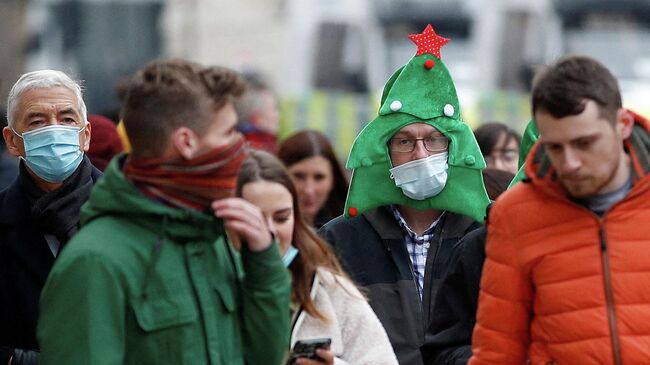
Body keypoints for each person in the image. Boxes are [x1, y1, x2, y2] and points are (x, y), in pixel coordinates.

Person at [37, 59, 291, 365]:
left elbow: (262, 358)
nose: (239, 146)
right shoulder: (95, 263)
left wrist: (264, 264)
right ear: (186, 142)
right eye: (228, 133)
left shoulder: (214, 238)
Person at [319, 25, 490, 365]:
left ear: (453, 148)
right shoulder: (340, 240)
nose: (420, 154)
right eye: (404, 142)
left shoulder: (488, 235)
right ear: (386, 153)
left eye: (434, 140)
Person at [469, 56, 650, 364]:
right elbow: (497, 349)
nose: (570, 163)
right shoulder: (515, 215)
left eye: (584, 143)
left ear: (622, 125)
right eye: (555, 147)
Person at [237, 150, 398, 365]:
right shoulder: (214, 282)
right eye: (254, 219)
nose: (269, 231)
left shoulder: (329, 288)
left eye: (281, 218)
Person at [0, 70, 99, 365]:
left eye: (67, 119)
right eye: (37, 122)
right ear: (12, 141)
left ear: (86, 135)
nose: (54, 131)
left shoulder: (131, 216)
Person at [420, 168, 515, 365]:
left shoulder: (595, 237)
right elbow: (443, 348)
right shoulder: (481, 246)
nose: (570, 163)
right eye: (555, 148)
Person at [278, 130, 349, 228]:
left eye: (319, 177)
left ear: (334, 179)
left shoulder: (350, 229)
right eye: (299, 176)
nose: (308, 190)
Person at [235, 72, 281, 153]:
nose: (277, 115)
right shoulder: (263, 152)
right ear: (256, 117)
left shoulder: (237, 146)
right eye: (274, 108)